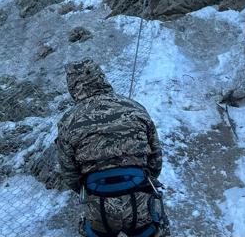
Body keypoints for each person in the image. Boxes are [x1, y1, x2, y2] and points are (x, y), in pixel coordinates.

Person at [56, 60, 166, 237]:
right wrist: (144, 181)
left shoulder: (68, 121)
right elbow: (155, 158)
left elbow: (69, 172)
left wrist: (90, 190)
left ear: (73, 87)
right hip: (140, 198)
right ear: (102, 78)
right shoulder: (135, 107)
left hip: (99, 203)